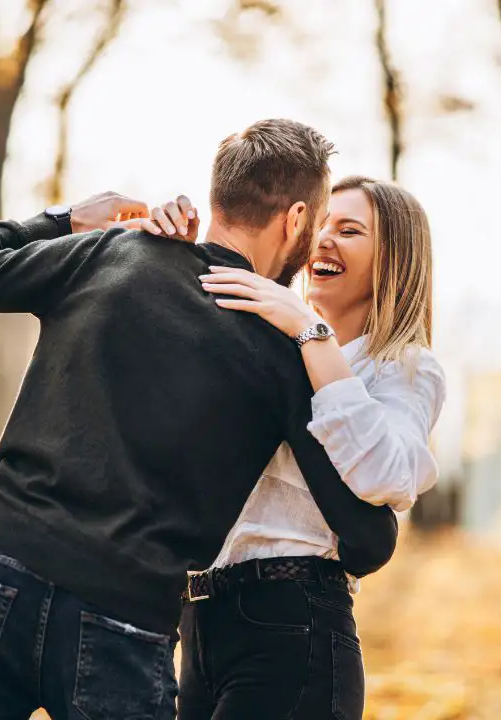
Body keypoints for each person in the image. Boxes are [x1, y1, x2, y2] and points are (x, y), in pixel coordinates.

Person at [0, 119, 399, 720]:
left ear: (218, 198)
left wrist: (67, 219)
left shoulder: (110, 253)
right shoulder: (285, 350)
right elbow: (367, 541)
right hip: (122, 622)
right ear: (294, 220)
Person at [136, 176, 444, 719]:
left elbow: (387, 474)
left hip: (292, 620)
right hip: (199, 621)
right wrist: (170, 253)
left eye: (349, 230)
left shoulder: (403, 367)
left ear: (393, 260)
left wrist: (311, 330)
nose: (324, 239)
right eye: (321, 223)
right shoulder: (262, 343)